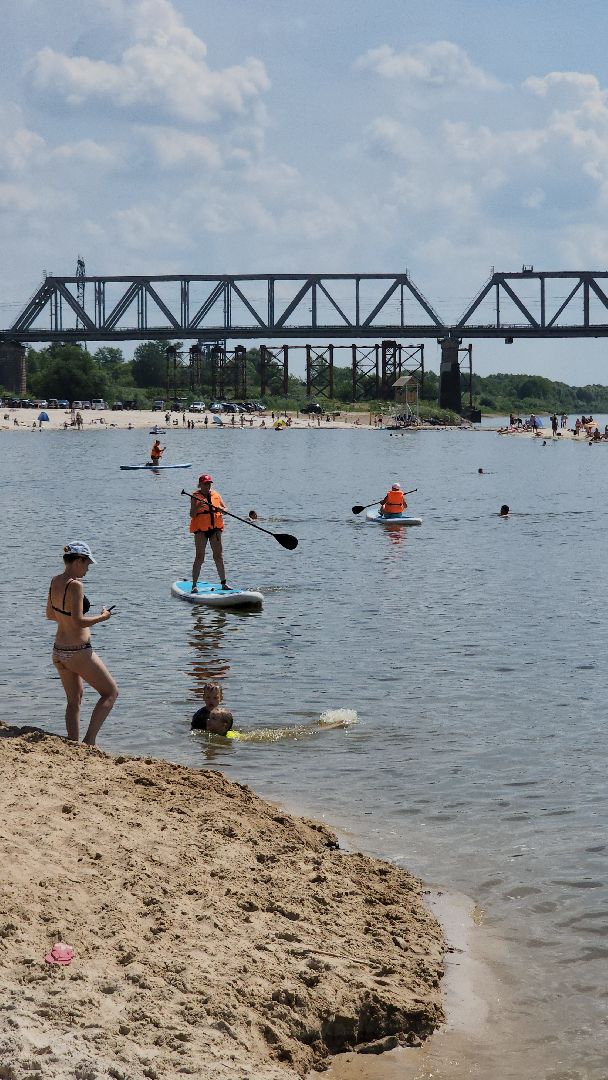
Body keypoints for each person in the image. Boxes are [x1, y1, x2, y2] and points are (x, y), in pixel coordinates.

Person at [46, 541, 118, 746]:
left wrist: (67, 617)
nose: (87, 569)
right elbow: (78, 621)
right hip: (78, 651)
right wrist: (103, 617)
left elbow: (50, 614)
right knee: (110, 692)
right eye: (87, 564)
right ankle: (89, 741)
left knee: (74, 700)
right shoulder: (75, 584)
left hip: (58, 651)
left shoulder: (54, 581)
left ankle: (73, 742)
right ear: (78, 560)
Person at [189, 474, 228, 591]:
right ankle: (194, 585)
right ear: (200, 484)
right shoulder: (195, 496)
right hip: (201, 530)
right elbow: (192, 514)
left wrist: (223, 510)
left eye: (209, 483)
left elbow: (226, 509)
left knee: (218, 556)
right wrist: (198, 506)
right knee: (199, 557)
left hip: (215, 530)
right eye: (205, 483)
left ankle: (224, 584)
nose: (208, 485)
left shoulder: (216, 494)